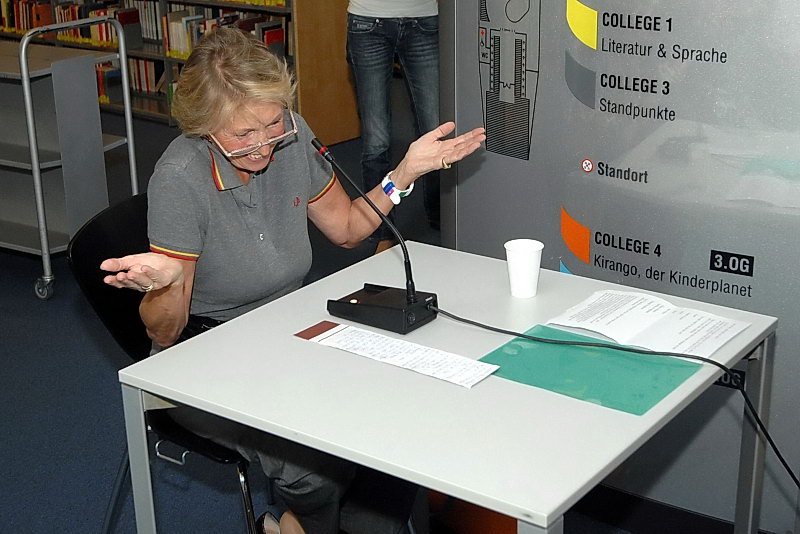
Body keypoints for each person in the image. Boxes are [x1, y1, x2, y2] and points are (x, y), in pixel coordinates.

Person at [100, 28, 484, 534]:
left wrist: (405, 173)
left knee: (399, 416)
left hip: (287, 330)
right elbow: (164, 334)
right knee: (313, 470)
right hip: (208, 350)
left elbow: (348, 228)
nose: (263, 144)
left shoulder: (294, 136)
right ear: (204, 127)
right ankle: (301, 522)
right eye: (242, 134)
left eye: (272, 123)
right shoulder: (180, 178)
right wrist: (168, 283)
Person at [346, 0, 441, 252]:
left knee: (434, 129)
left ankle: (443, 221)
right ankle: (382, 231)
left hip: (424, 18)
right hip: (368, 20)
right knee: (376, 139)